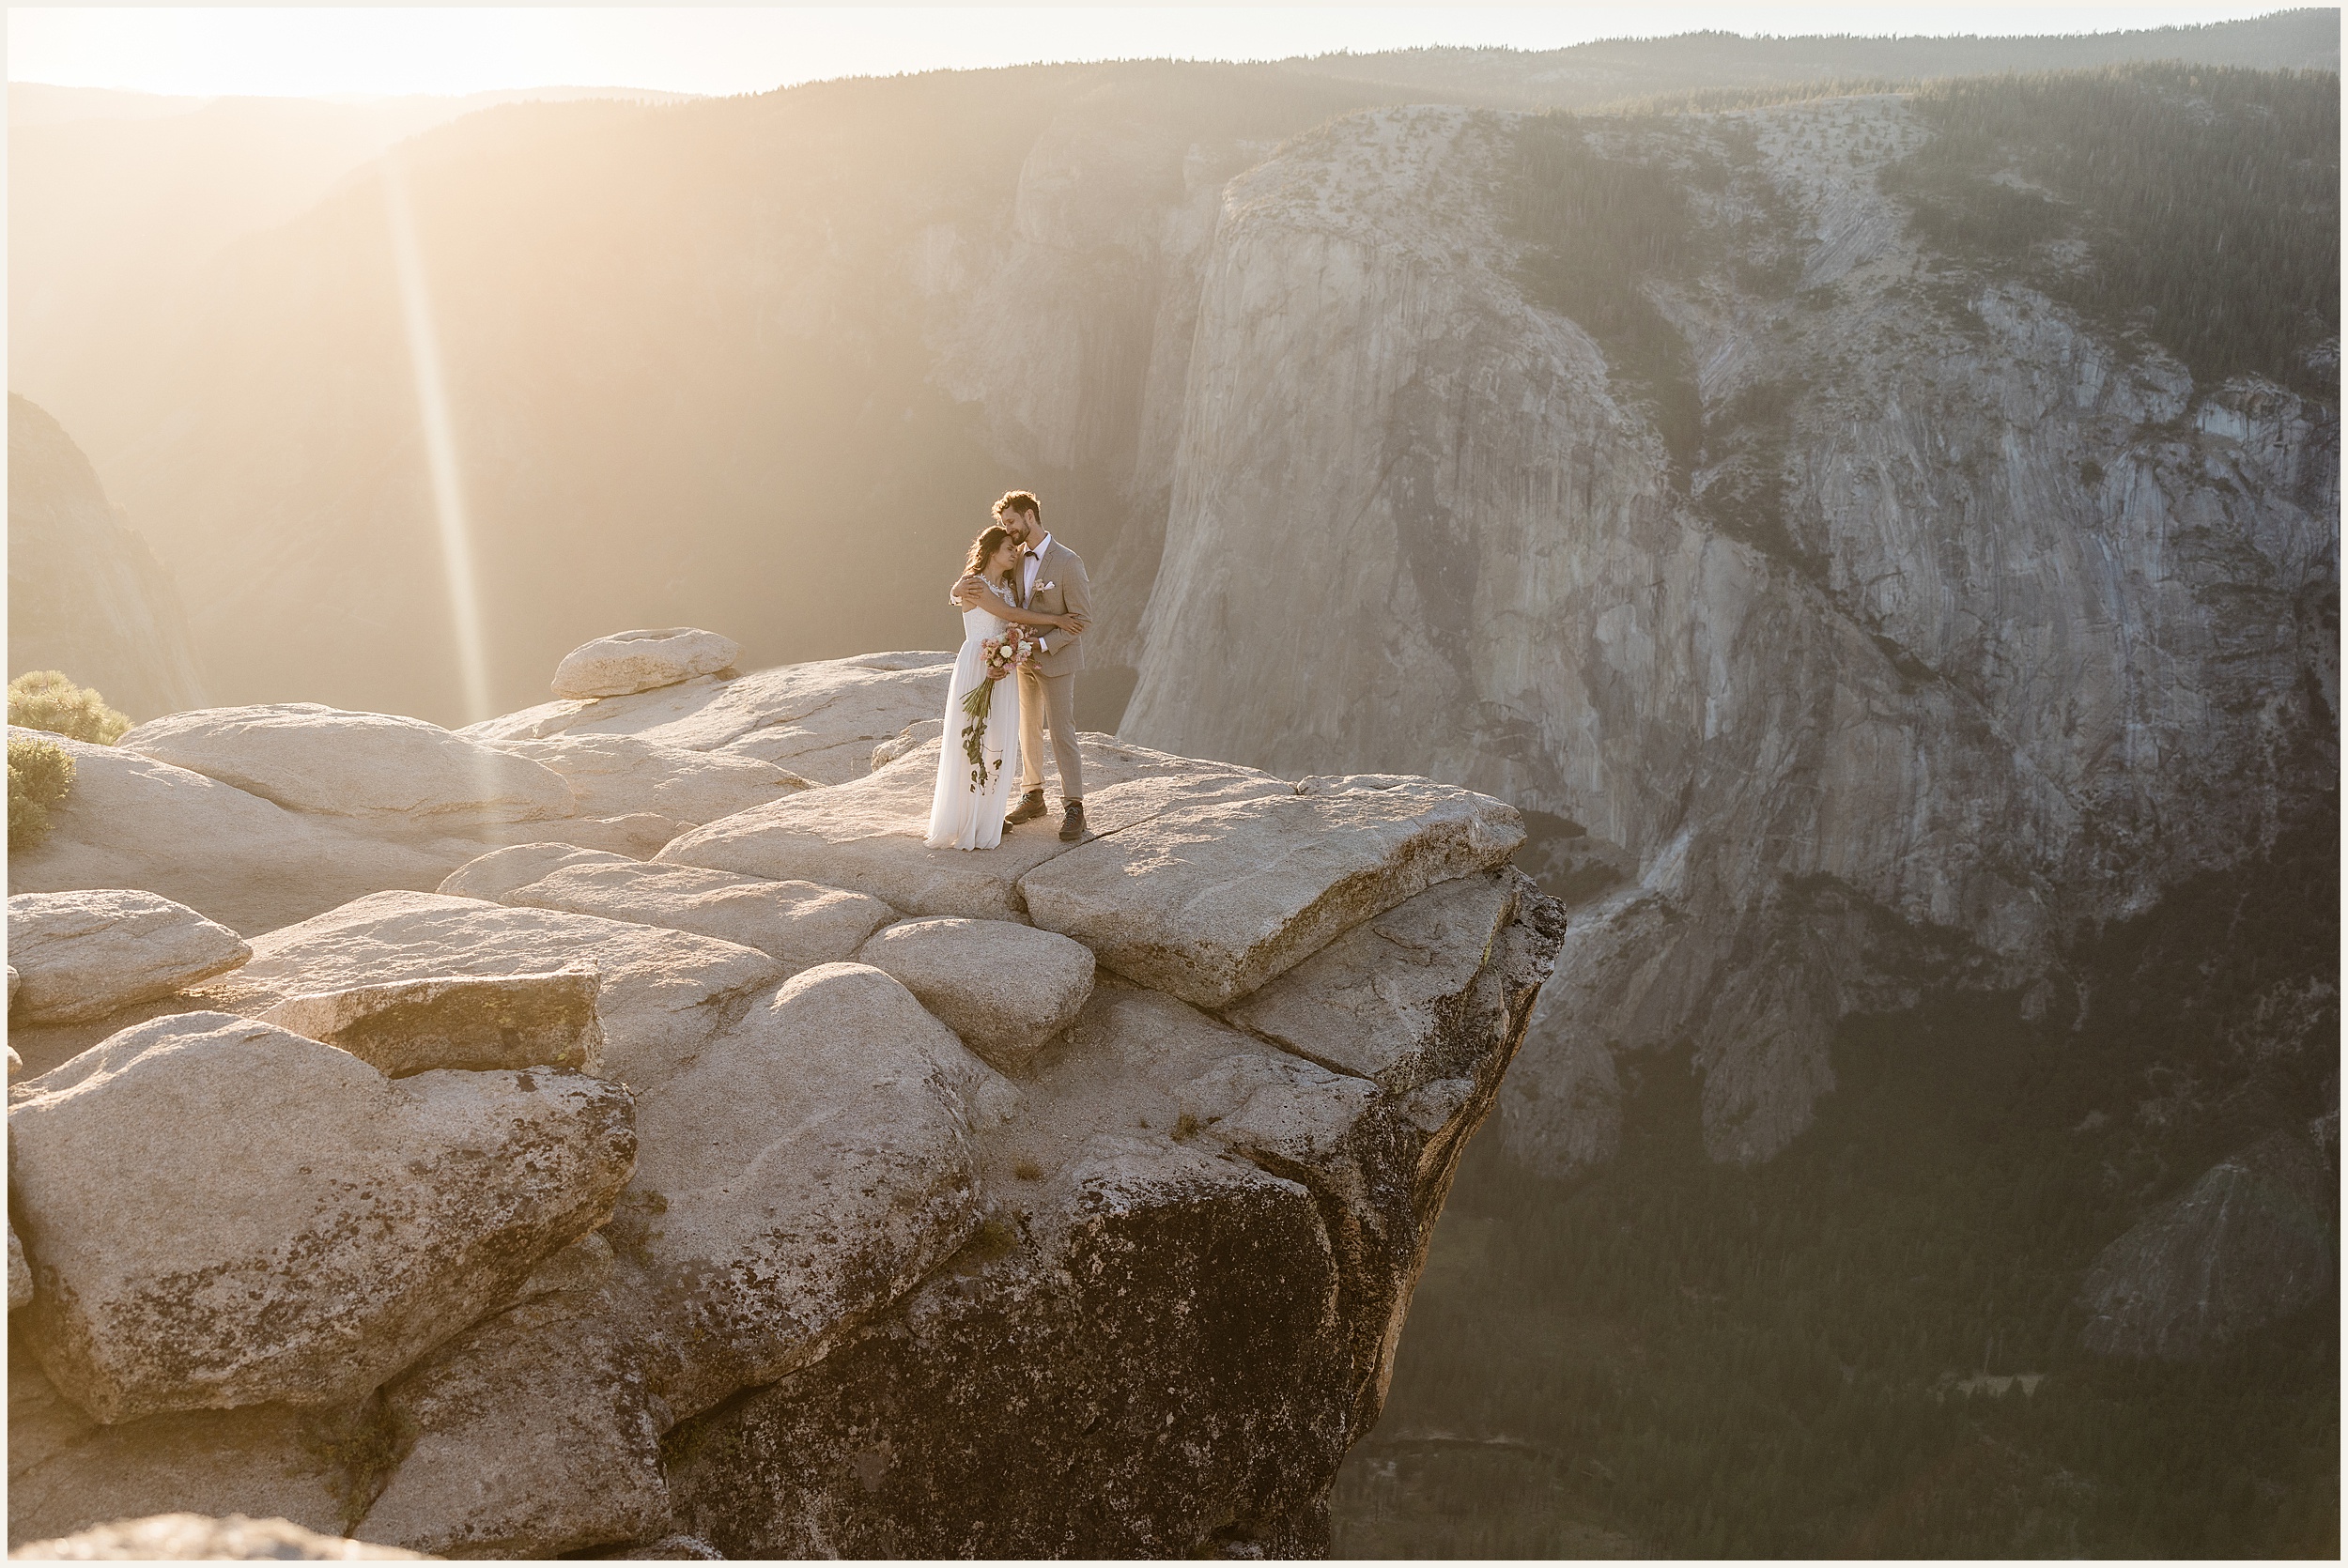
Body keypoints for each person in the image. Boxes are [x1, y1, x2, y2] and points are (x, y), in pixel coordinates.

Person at [924, 523, 1082, 851]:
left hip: (1002, 666)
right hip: (978, 664)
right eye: (1009, 548)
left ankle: (988, 813)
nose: (1015, 552)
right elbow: (1009, 613)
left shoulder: (1007, 585)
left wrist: (1008, 652)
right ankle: (968, 816)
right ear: (992, 551)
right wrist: (1058, 619)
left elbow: (1012, 611)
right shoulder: (974, 586)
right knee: (973, 736)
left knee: (998, 737)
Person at [951, 491, 1093, 841]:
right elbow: (992, 592)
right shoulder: (1013, 559)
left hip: (1055, 657)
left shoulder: (1068, 562)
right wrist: (956, 591)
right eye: (1004, 525)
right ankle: (1034, 795)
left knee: (1062, 731)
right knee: (1026, 729)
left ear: (1030, 516)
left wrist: (1045, 641)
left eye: (1011, 522)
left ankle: (1074, 805)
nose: (1008, 530)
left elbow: (1082, 619)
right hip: (1020, 660)